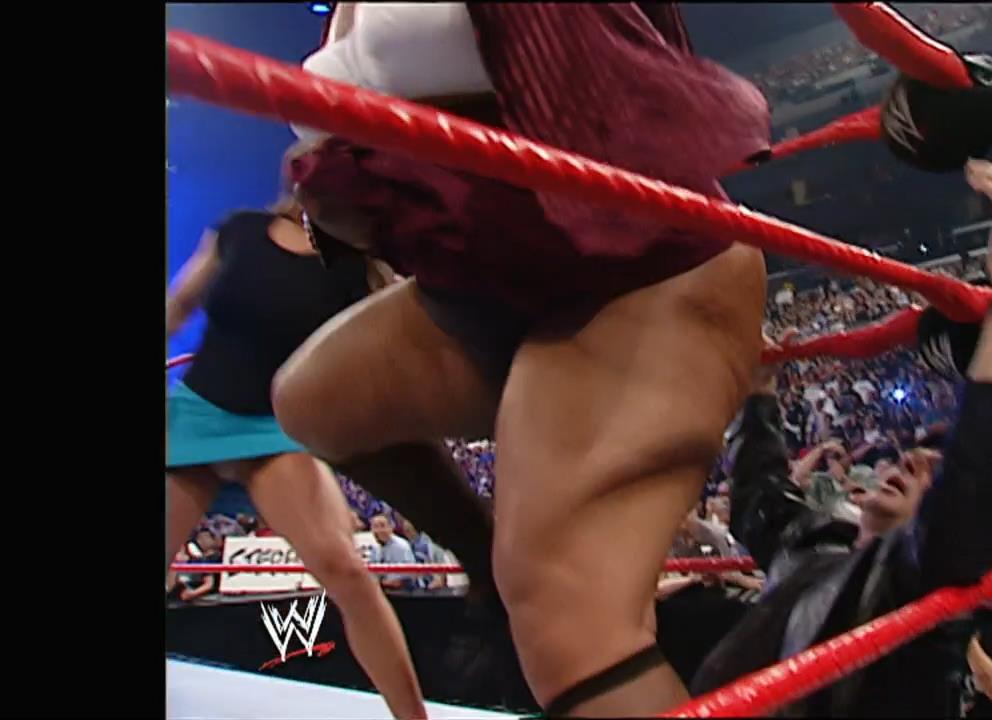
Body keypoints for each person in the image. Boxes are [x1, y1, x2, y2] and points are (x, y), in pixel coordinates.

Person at [272, 4, 771, 716]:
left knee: (569, 621)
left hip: (637, 269)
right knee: (315, 400)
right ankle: (485, 564)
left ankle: (531, 598)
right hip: (482, 286)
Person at [693, 160, 992, 717]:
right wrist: (760, 394)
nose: (911, 460)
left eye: (933, 473)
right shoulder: (814, 544)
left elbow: (979, 475)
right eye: (915, 456)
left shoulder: (915, 584)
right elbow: (759, 495)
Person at [165, 193, 426, 719]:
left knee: (344, 570)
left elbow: (407, 339)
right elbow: (180, 304)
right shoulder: (238, 229)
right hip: (198, 410)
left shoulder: (359, 263)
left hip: (277, 426)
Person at [369, 512, 418, 592]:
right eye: (375, 526)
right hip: (382, 588)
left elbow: (402, 579)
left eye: (382, 525)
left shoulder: (401, 546)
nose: (379, 530)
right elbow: (372, 572)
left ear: (390, 527)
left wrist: (380, 582)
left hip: (402, 590)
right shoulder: (376, 547)